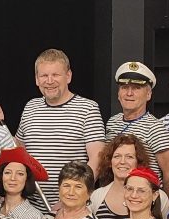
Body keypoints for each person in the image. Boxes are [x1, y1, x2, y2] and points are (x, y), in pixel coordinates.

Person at [14, 48, 104, 210]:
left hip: (70, 207)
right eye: (44, 76)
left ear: (68, 76)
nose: (49, 81)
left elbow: (97, 160)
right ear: (36, 79)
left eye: (55, 75)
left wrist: (69, 199)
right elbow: (19, 151)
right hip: (30, 206)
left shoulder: (88, 108)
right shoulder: (30, 107)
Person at [105, 61, 169, 187]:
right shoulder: (112, 122)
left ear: (148, 94)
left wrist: (164, 200)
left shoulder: (156, 128)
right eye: (124, 87)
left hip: (144, 195)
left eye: (136, 88)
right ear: (118, 93)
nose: (129, 93)